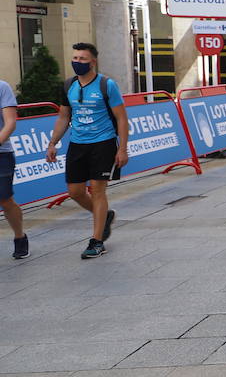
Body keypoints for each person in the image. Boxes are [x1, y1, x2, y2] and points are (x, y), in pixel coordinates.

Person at [43, 43, 129, 258]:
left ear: (93, 61)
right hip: (77, 144)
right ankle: (104, 216)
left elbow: (121, 117)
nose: (77, 62)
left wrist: (123, 149)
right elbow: (64, 117)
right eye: (75, 58)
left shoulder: (106, 85)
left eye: (82, 59)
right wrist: (53, 143)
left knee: (98, 191)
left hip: (104, 143)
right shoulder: (68, 85)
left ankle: (97, 241)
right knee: (75, 192)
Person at [0, 78, 27, 259]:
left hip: (2, 153)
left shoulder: (2, 87)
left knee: (5, 199)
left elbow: (10, 122)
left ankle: (20, 237)